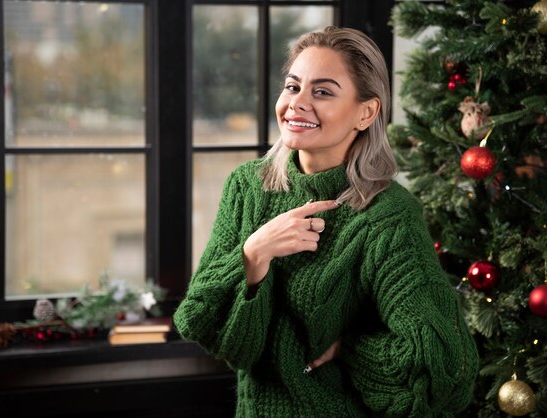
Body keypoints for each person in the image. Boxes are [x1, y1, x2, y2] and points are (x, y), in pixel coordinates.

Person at [174, 26, 479, 417]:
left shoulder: (387, 217)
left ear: (366, 112)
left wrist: (350, 350)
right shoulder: (247, 187)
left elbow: (447, 367)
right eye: (292, 86)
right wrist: (255, 252)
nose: (296, 104)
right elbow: (213, 332)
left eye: (322, 91)